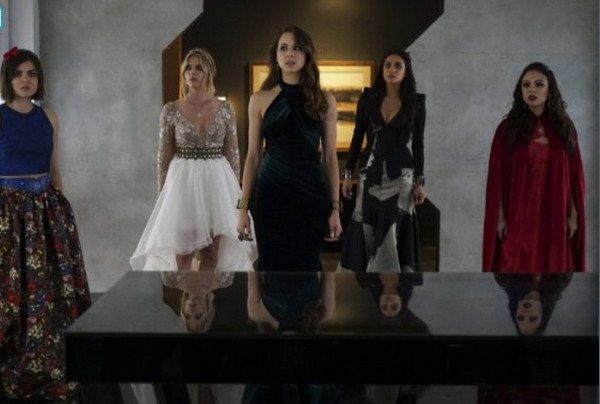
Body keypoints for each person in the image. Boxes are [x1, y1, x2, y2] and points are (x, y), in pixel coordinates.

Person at [0, 47, 91, 402]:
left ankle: (46, 366)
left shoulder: (49, 117)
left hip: (44, 211)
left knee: (45, 293)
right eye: (18, 74)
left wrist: (62, 211)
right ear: (8, 79)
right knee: (11, 293)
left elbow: (54, 168)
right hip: (8, 215)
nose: (25, 80)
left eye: (32, 74)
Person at [131, 48, 256, 273]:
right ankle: (185, 297)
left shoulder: (225, 109)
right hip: (183, 186)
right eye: (188, 67)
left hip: (217, 185)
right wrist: (163, 199)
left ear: (209, 72)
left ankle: (207, 296)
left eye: (199, 67)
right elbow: (162, 157)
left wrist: (237, 203)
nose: (192, 72)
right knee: (182, 258)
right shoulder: (170, 110)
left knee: (211, 257)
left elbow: (234, 157)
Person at [236, 25, 342, 272]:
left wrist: (335, 208)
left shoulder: (325, 100)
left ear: (307, 55)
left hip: (310, 196)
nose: (290, 54)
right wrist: (242, 209)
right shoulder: (259, 99)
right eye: (283, 48)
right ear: (275, 56)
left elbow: (329, 158)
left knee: (307, 268)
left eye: (297, 48)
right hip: (270, 195)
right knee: (271, 268)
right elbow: (253, 157)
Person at [482, 62, 585, 272]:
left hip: (555, 209)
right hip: (518, 209)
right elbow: (496, 178)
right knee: (515, 264)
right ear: (520, 91)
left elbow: (575, 176)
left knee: (552, 266)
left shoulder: (565, 128)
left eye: (539, 84)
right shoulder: (506, 129)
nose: (532, 89)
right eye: (526, 85)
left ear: (550, 91)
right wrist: (499, 216)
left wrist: (574, 214)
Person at [339, 50, 426, 273]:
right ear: (382, 70)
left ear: (406, 72)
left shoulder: (416, 102)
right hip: (370, 172)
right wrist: (347, 174)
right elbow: (357, 137)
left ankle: (394, 283)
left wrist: (419, 182)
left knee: (394, 226)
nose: (392, 70)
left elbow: (418, 144)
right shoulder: (368, 98)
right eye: (387, 65)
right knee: (365, 223)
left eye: (398, 66)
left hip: (401, 176)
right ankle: (364, 282)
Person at [494, 273, 572, 335]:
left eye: (520, 317)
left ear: (515, 312)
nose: (526, 313)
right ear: (543, 315)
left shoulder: (503, 277)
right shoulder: (561, 280)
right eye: (533, 318)